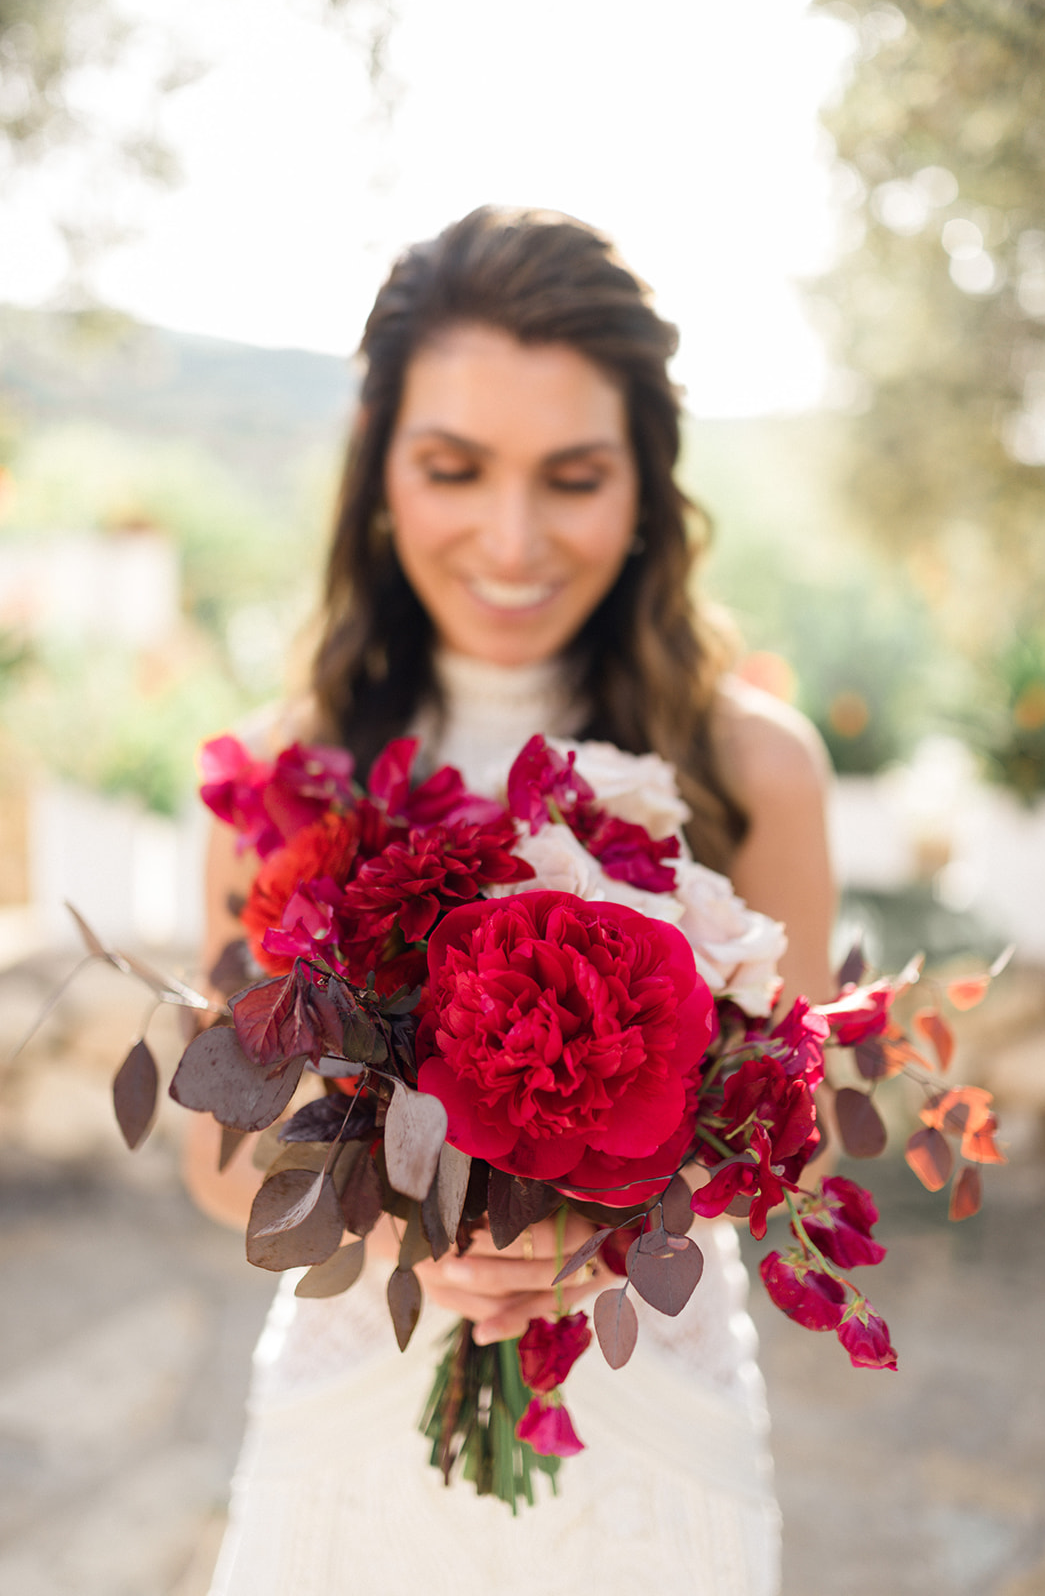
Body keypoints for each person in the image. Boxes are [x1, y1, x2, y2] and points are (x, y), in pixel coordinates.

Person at [187, 206, 836, 1596]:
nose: (512, 535)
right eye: (454, 467)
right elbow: (216, 1153)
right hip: (356, 1412)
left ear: (649, 489)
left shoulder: (755, 767)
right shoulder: (284, 773)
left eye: (574, 476)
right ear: (381, 478)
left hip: (654, 1425)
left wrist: (599, 1210)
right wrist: (396, 1217)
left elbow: (805, 1129)